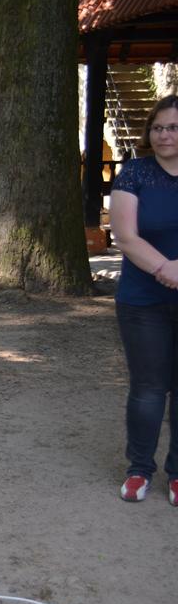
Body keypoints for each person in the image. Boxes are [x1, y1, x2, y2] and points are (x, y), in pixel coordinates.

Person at [110, 94, 178, 504]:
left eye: (173, 128)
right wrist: (168, 270)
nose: (164, 135)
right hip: (142, 301)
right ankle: (139, 469)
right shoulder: (134, 173)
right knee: (149, 388)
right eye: (158, 127)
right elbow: (125, 236)